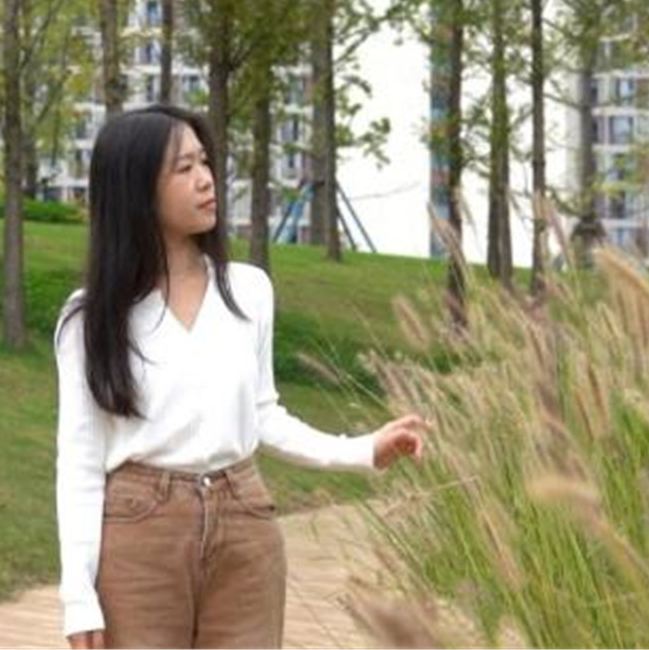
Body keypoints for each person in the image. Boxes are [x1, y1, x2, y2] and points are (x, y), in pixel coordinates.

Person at [53, 104, 429, 649]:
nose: (206, 179)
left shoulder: (248, 291)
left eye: (205, 162)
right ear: (137, 189)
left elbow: (262, 414)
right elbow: (81, 461)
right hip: (139, 535)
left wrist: (363, 449)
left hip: (244, 522)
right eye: (183, 168)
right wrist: (77, 595)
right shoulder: (90, 318)